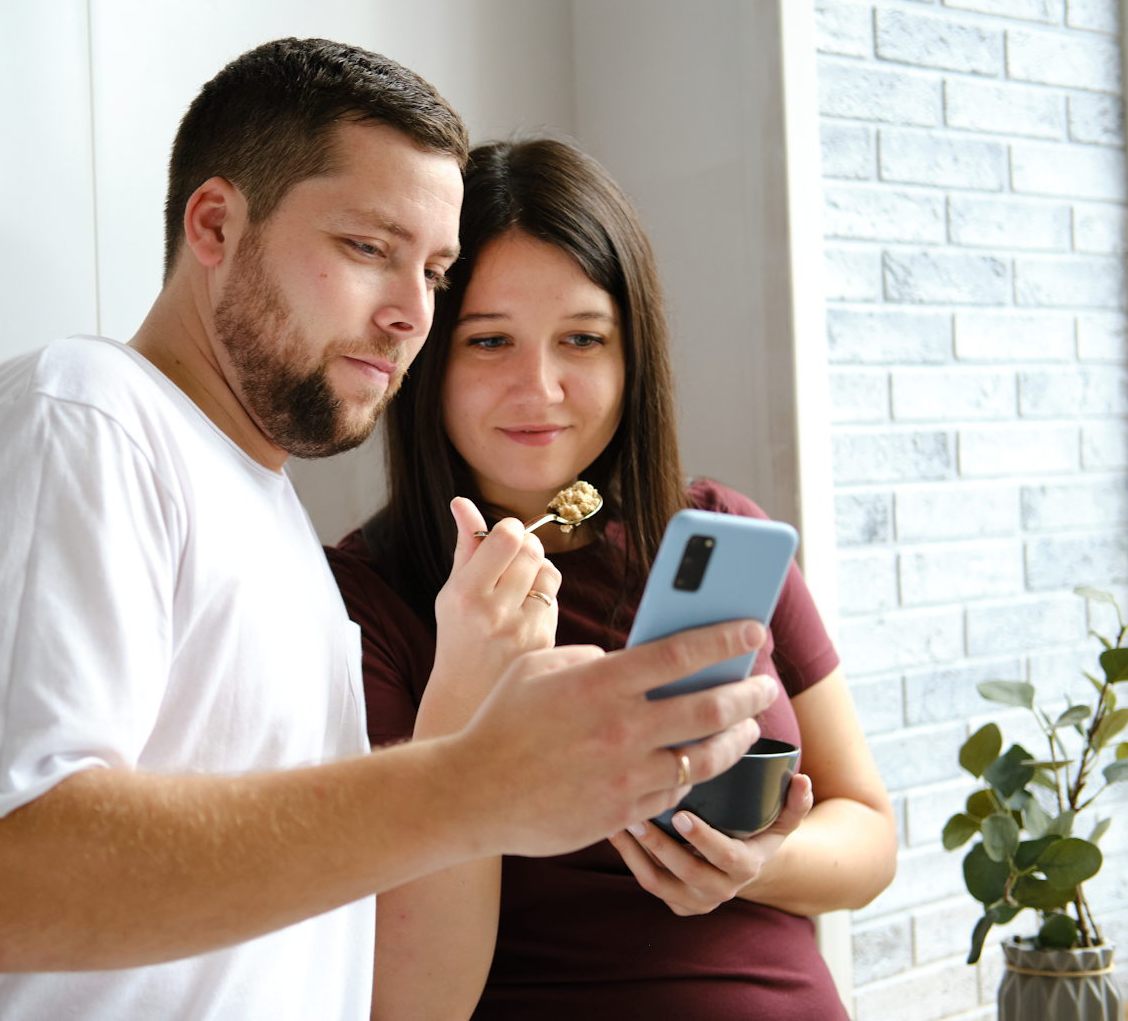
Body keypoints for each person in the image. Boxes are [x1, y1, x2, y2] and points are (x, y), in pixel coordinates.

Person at [0, 41, 782, 1021]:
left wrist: (465, 714)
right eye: (368, 248)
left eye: (435, 271)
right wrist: (473, 781)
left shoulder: (269, 516)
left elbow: (391, 993)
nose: (413, 311)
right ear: (214, 224)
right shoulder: (77, 417)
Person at [327, 136, 899, 1020]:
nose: (541, 387)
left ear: (633, 356)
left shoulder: (724, 534)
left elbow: (868, 832)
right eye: (489, 341)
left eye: (583, 339)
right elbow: (415, 1002)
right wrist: (468, 688)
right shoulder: (362, 601)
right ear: (429, 354)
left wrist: (755, 863)